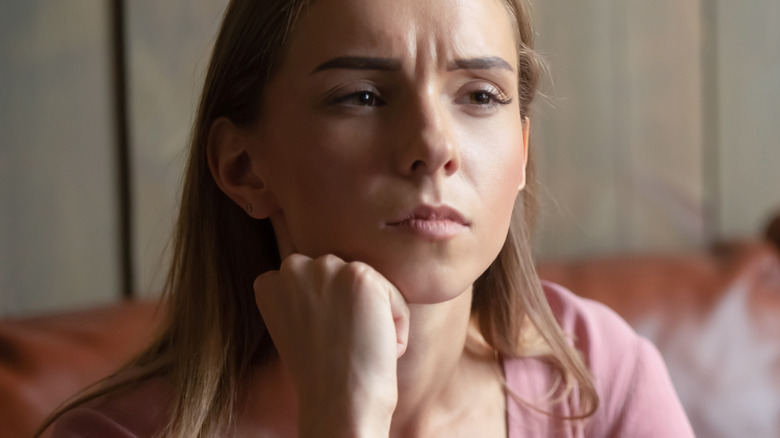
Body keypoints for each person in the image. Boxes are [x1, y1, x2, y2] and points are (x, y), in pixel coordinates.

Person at [38, 0, 694, 436]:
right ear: (244, 166)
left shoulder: (596, 379)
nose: (435, 146)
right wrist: (342, 420)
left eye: (480, 96)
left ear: (521, 152)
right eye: (363, 96)